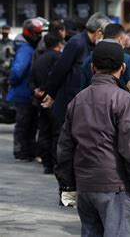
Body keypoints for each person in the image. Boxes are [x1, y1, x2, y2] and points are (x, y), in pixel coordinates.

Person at [55, 41, 130, 237]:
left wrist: (67, 184)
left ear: (92, 67)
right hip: (115, 184)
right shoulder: (124, 100)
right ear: (122, 68)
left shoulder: (77, 100)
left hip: (85, 184)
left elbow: (65, 146)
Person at [43, 12, 111, 124]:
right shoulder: (77, 43)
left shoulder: (93, 45)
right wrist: (51, 93)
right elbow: (60, 69)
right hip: (70, 99)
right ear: (99, 32)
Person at [7, 18, 43, 161]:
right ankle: (21, 151)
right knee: (24, 124)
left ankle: (28, 150)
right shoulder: (26, 49)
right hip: (24, 93)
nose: (38, 36)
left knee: (31, 124)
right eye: (36, 33)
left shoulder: (29, 47)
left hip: (28, 92)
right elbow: (17, 71)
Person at [29, 33, 64, 173]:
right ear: (58, 44)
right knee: (56, 132)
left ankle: (46, 163)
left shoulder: (39, 58)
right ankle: (55, 162)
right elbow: (57, 78)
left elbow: (30, 78)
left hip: (40, 99)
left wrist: (36, 90)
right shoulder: (59, 58)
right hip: (53, 99)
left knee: (44, 131)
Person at [81, 23, 130, 88]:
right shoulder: (127, 60)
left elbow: (82, 88)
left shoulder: (88, 59)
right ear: (121, 39)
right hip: (120, 97)